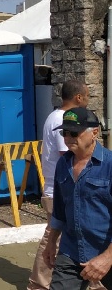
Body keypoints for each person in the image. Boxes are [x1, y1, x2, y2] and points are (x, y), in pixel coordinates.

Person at [28, 80, 95, 290]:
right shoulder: (62, 119)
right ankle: (38, 284)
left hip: (60, 188)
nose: (88, 100)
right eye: (87, 96)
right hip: (60, 190)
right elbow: (69, 154)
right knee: (53, 239)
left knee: (60, 238)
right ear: (79, 97)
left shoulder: (55, 116)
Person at [43, 107, 112, 290]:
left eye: (74, 133)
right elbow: (59, 209)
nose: (68, 138)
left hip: (107, 249)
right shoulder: (63, 164)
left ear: (94, 133)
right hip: (71, 250)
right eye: (64, 132)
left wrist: (108, 257)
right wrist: (51, 242)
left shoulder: (109, 165)